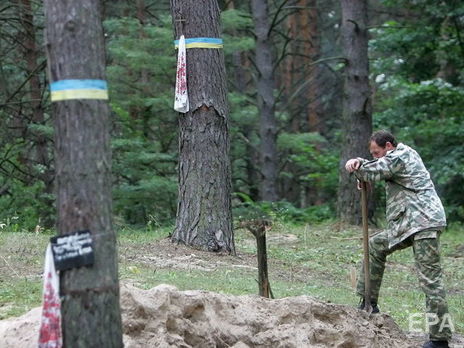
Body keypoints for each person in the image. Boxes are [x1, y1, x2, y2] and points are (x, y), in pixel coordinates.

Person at [345, 130, 452, 348]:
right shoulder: (395, 157)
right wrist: (361, 165)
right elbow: (374, 168)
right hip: (408, 225)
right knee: (375, 245)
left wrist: (357, 167)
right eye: (372, 154)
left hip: (424, 224)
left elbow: (377, 169)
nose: (375, 157)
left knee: (430, 280)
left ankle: (440, 339)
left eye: (377, 152)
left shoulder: (401, 156)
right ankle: (368, 303)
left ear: (389, 147)